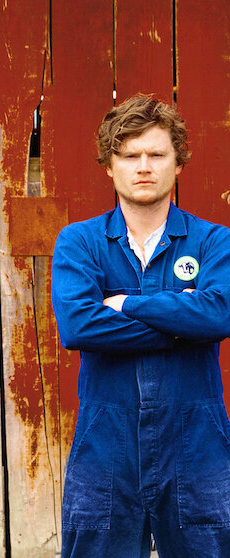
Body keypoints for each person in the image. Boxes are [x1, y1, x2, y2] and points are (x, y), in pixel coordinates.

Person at [51, 95, 230, 557]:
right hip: (105, 447)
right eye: (130, 156)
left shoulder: (214, 241)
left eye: (157, 154)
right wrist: (183, 322)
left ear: (179, 163)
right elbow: (78, 327)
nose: (144, 167)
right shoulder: (80, 242)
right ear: (110, 167)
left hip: (197, 445)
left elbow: (219, 314)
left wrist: (126, 303)